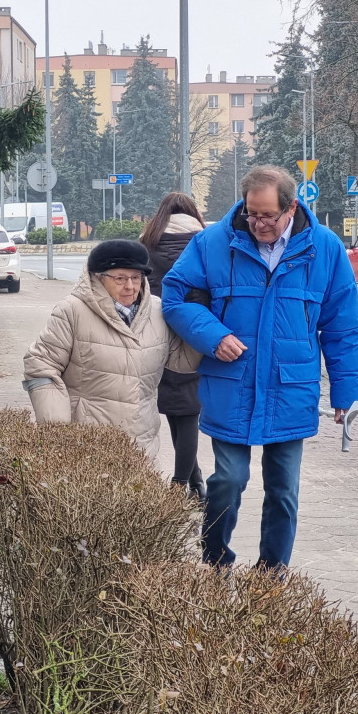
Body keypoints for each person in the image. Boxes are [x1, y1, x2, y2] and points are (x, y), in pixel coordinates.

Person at [162, 165, 358, 570]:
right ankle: (215, 560)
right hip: (231, 387)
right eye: (252, 213)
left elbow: (343, 327)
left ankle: (272, 576)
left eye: (267, 215)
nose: (257, 224)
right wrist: (213, 336)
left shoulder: (324, 249)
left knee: (284, 490)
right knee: (228, 481)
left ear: (290, 208)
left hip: (291, 389)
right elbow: (175, 296)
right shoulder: (213, 242)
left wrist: (345, 395)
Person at [22, 240, 200, 462]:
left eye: (136, 277)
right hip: (87, 444)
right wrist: (57, 429)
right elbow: (40, 366)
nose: (130, 286)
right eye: (120, 278)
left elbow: (181, 360)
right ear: (97, 278)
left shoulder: (157, 310)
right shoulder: (72, 311)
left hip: (141, 442)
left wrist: (201, 326)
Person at [141, 192, 207, 502]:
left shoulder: (148, 241)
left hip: (157, 329)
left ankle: (189, 481)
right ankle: (186, 482)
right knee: (188, 410)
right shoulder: (206, 241)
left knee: (174, 408)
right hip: (195, 330)